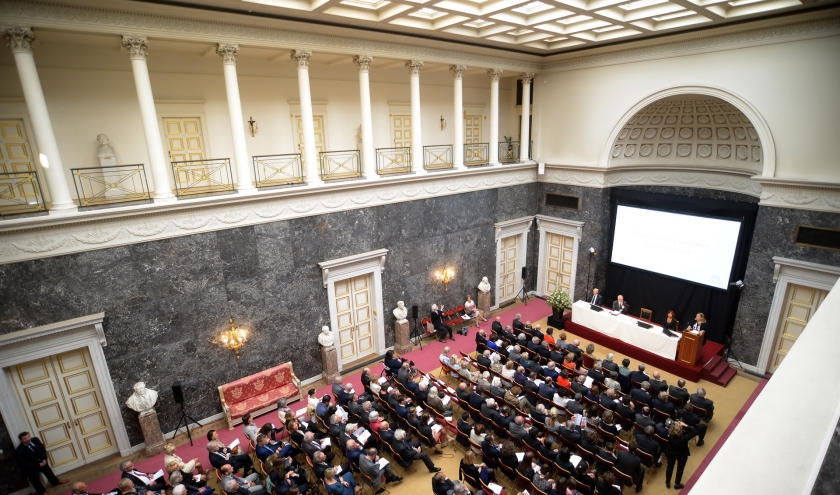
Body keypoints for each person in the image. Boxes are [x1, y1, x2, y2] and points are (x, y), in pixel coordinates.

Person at [664, 421, 698, 489]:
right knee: (680, 469)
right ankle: (677, 484)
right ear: (680, 430)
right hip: (682, 454)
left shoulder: (669, 434)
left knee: (669, 467)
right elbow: (695, 432)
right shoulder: (684, 438)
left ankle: (667, 482)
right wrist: (685, 425)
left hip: (670, 452)